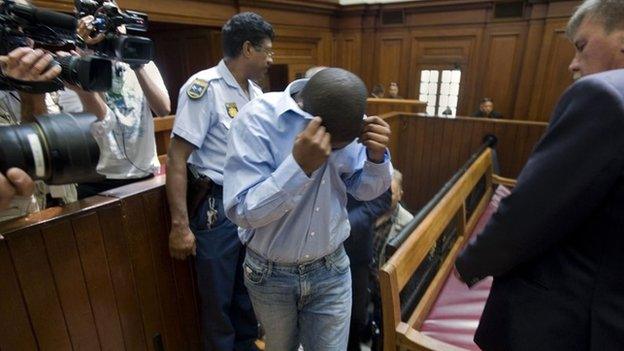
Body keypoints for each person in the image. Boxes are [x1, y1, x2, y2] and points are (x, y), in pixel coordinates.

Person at [455, 0, 624, 349]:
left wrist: (468, 264)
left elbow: (531, 212)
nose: (573, 64)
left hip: (565, 321)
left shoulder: (603, 95)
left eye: (581, 46)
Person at [223, 67, 393, 350]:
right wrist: (298, 168)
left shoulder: (350, 117)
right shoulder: (257, 120)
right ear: (308, 116)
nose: (335, 153)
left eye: (341, 148)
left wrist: (377, 159)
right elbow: (242, 211)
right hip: (269, 274)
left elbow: (364, 190)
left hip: (331, 268)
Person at [166, 12, 274, 351]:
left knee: (247, 294)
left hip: (250, 207)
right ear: (247, 49)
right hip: (216, 210)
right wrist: (180, 225)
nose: (271, 59)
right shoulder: (204, 88)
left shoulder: (255, 94)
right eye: (267, 51)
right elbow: (177, 157)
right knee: (218, 302)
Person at [58, 6, 171, 199]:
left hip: (144, 172)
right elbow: (98, 122)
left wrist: (136, 64)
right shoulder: (75, 68)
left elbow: (163, 109)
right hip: (99, 181)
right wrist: (89, 59)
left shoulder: (143, 63)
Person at [344, 189, 391, 351]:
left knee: (355, 316)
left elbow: (382, 198)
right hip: (315, 253)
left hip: (356, 255)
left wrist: (345, 224)